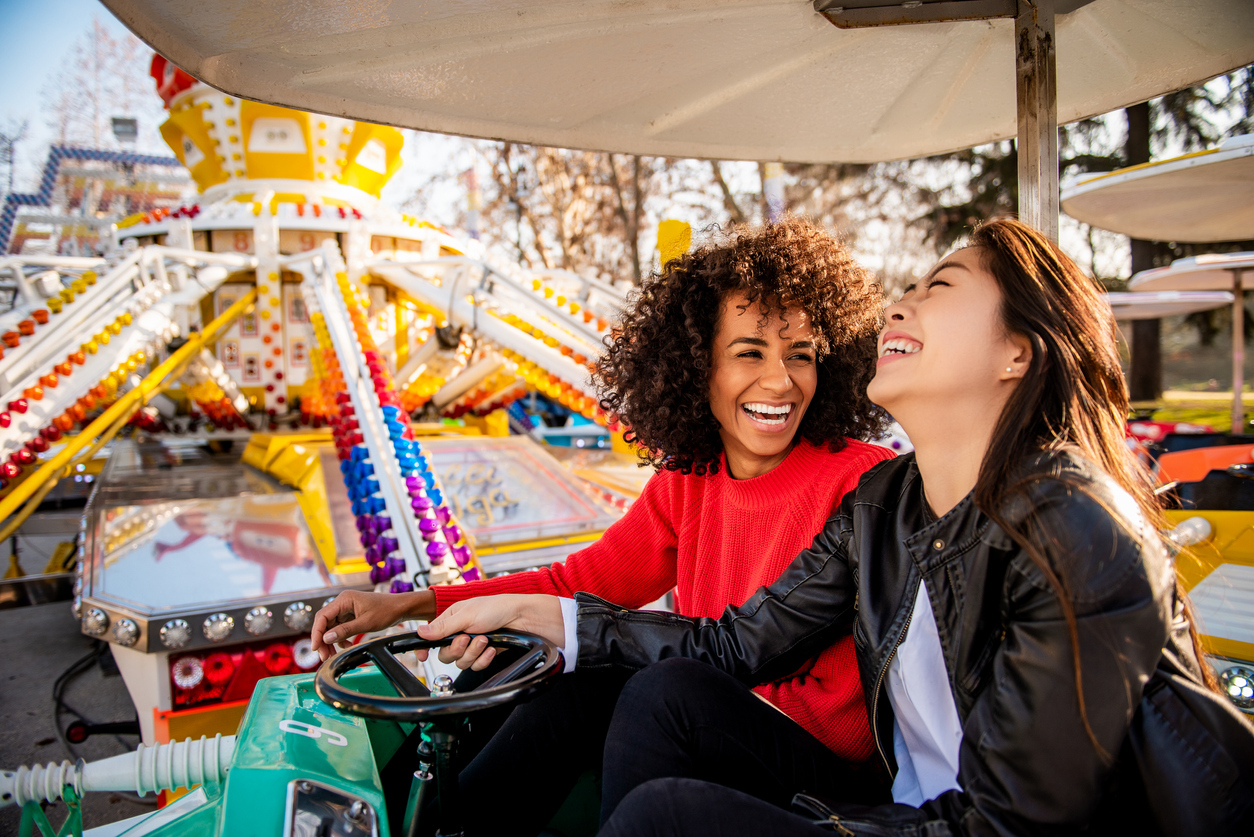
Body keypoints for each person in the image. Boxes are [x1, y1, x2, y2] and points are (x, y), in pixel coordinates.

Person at [418, 218, 1254, 835]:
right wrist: (549, 619)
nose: (899, 305)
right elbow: (729, 647)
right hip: (903, 807)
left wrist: (833, 828)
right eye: (747, 352)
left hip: (952, 827)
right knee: (662, 696)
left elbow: (1010, 826)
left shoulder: (1077, 532)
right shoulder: (886, 504)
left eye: (939, 288)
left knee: (664, 817)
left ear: (1017, 354)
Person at [312, 217, 894, 834]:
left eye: (800, 356)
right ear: (698, 367)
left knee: (644, 685)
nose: (779, 380)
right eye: (749, 352)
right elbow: (577, 584)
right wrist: (410, 606)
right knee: (525, 665)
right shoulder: (687, 481)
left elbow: (742, 649)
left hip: (815, 765)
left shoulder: (864, 482)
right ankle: (400, 823)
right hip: (707, 710)